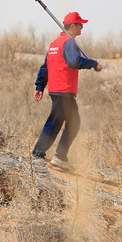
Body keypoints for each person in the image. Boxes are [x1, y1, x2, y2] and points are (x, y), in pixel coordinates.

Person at [31, 12, 102, 170]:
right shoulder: (69, 43)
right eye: (80, 24)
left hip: (58, 90)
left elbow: (44, 68)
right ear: (73, 25)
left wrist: (40, 87)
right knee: (54, 123)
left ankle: (60, 157)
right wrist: (93, 63)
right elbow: (74, 61)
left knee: (73, 122)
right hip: (63, 90)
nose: (82, 27)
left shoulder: (55, 44)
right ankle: (37, 155)